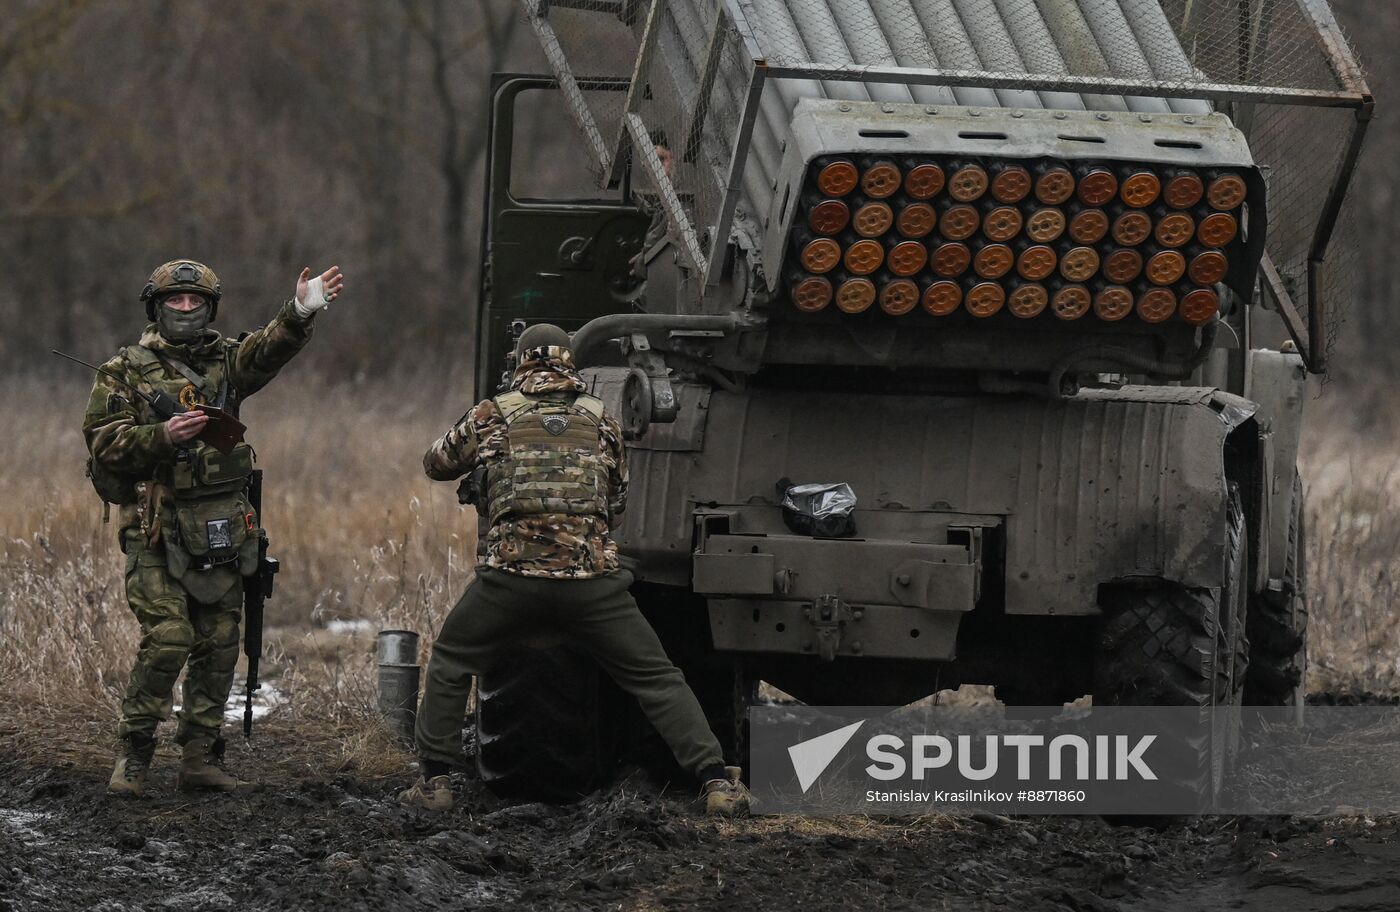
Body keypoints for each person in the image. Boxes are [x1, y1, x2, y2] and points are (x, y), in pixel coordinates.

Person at [399, 323, 749, 816]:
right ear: (568, 362)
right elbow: (617, 503)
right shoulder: (601, 419)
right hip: (592, 584)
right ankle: (716, 782)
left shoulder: (492, 413)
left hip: (510, 580)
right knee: (656, 678)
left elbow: (435, 464)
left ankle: (435, 784)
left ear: (522, 362)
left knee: (454, 659)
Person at [86, 259, 343, 797]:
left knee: (221, 641)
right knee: (169, 637)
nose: (185, 309)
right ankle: (132, 758)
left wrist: (300, 309)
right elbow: (103, 444)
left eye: (195, 302)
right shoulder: (124, 369)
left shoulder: (227, 361)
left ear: (209, 309)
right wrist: (163, 436)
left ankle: (200, 758)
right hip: (156, 531)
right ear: (156, 308)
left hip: (222, 529)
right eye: (174, 302)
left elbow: (269, 349)